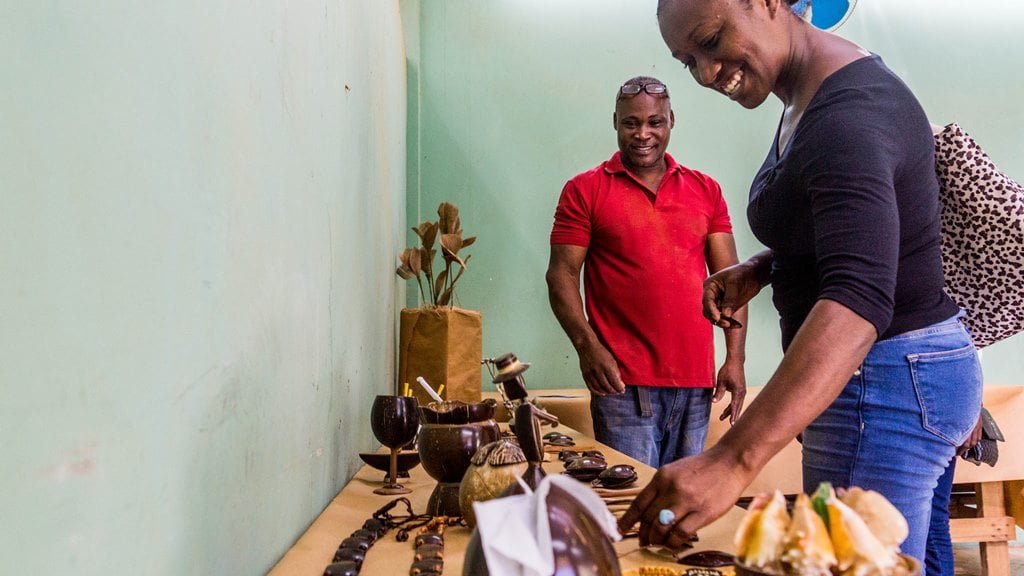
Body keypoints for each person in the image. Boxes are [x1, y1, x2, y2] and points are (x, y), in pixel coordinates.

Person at [619, 0, 984, 567]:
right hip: (898, 374)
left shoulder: (847, 118)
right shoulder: (813, 91)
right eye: (687, 61)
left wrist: (731, 461)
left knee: (845, 564)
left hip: (882, 378)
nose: (706, 73)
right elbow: (857, 232)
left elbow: (857, 301)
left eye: (711, 41)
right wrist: (764, 267)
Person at [546, 75, 748, 469]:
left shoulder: (706, 189)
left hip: (696, 383)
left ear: (671, 120)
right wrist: (588, 349)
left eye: (655, 122)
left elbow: (734, 282)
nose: (643, 134)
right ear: (615, 123)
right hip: (621, 383)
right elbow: (561, 276)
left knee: (682, 500)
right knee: (633, 498)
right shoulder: (584, 190)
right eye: (631, 123)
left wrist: (735, 359)